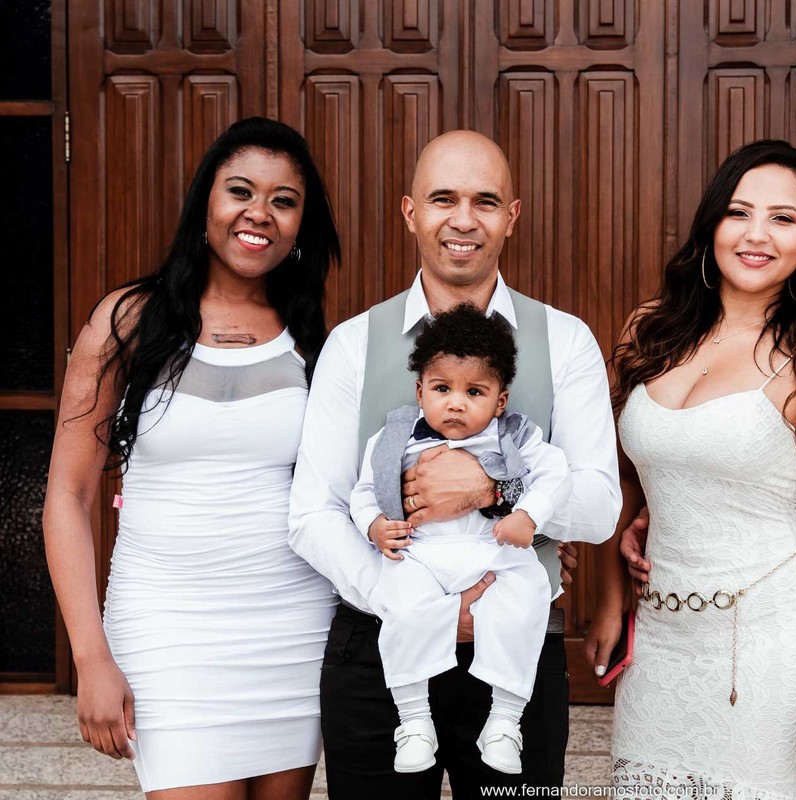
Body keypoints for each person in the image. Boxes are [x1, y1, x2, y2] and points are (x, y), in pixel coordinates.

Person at [288, 129, 620, 799]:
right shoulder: (353, 345)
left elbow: (599, 506)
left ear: (511, 217)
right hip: (379, 645)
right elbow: (313, 514)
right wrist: (415, 608)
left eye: (485, 201)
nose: (463, 220)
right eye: (443, 199)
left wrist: (491, 489)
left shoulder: (566, 341)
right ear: (410, 212)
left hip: (515, 645)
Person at [42, 117, 341, 797]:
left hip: (292, 629)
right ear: (206, 201)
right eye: (240, 190)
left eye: (284, 200)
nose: (259, 213)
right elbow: (68, 496)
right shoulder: (127, 321)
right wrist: (90, 657)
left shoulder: (314, 341)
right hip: (166, 628)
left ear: (301, 225)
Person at [585, 139, 796, 799]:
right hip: (660, 639)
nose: (756, 234)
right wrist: (609, 597)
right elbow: (623, 476)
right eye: (738, 212)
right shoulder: (649, 331)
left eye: (783, 218)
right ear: (711, 224)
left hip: (769, 651)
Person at [349, 304, 569, 775]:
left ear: (500, 400)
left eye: (474, 392)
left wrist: (527, 514)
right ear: (420, 390)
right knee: (401, 604)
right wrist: (373, 526)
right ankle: (413, 720)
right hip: (420, 554)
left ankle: (505, 721)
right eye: (442, 388)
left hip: (495, 553)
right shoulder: (394, 438)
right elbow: (364, 492)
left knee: (528, 597)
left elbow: (556, 475)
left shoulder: (514, 435)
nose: (455, 403)